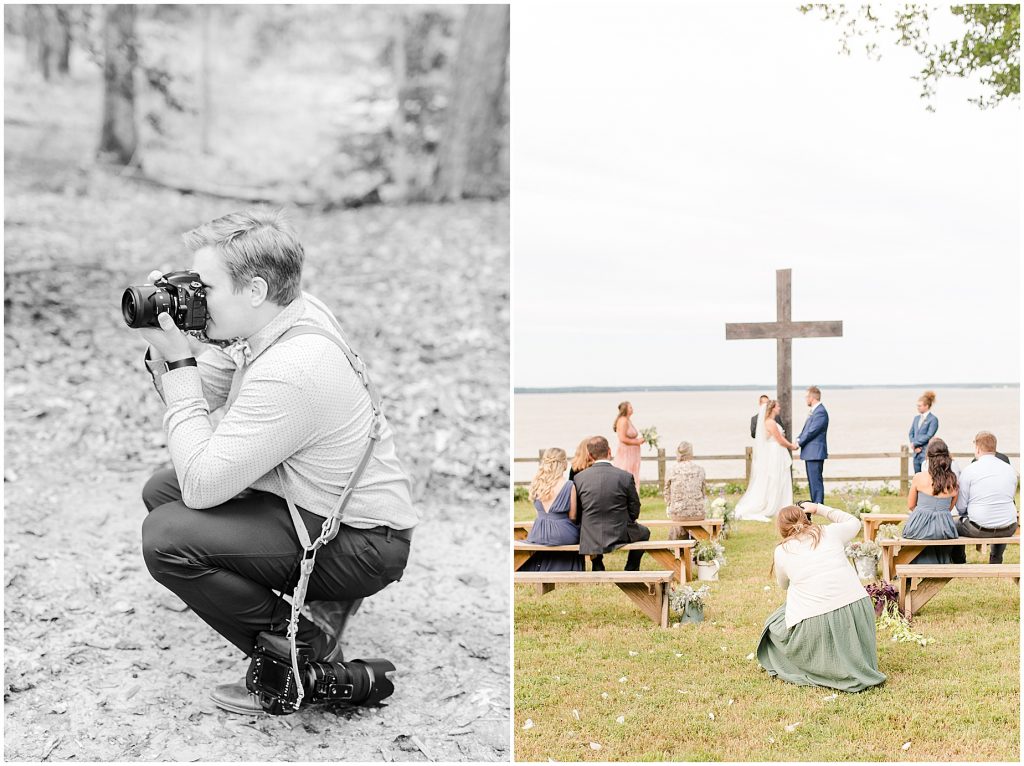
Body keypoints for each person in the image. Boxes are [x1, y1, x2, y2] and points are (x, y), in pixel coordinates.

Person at [136, 210, 419, 715]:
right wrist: (176, 344)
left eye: (204, 288)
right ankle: (304, 603)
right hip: (318, 506)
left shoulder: (294, 367)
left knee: (168, 538)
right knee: (163, 490)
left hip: (363, 540)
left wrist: (180, 361)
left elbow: (203, 482)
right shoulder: (283, 314)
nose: (194, 297)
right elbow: (208, 393)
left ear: (256, 289)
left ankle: (305, 651)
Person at [757, 503, 886, 693]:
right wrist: (818, 509)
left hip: (817, 617)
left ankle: (825, 663)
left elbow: (784, 585)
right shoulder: (829, 532)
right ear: (806, 517)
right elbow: (853, 522)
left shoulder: (782, 551)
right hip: (859, 609)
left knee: (774, 625)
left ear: (781, 529)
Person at [574, 436, 649, 571]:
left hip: (591, 533)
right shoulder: (625, 477)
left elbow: (578, 511)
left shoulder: (579, 478)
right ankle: (631, 567)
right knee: (644, 533)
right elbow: (635, 508)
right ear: (609, 451)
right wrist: (629, 520)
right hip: (620, 532)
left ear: (590, 456)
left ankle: (597, 563)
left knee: (591, 529)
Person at [950, 431, 1019, 565]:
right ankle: (996, 558)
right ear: (994, 447)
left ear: (977, 448)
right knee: (1001, 520)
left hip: (978, 528)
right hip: (1009, 527)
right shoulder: (1010, 470)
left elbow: (961, 507)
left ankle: (960, 561)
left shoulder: (970, 470)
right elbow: (1010, 497)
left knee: (952, 524)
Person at [520, 448, 584, 572]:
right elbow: (573, 516)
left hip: (538, 532)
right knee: (581, 534)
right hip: (563, 534)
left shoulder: (537, 484)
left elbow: (539, 512)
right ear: (563, 464)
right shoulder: (569, 485)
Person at [735, 400, 796, 521]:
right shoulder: (770, 423)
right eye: (778, 406)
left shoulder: (769, 422)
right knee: (775, 478)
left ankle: (781, 503)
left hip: (777, 451)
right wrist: (792, 446)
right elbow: (779, 439)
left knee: (780, 478)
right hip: (775, 452)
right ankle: (775, 505)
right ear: (772, 408)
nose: (779, 408)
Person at [902, 439, 959, 565]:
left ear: (928, 457)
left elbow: (911, 505)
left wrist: (924, 512)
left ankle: (915, 565)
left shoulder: (919, 477)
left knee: (919, 534)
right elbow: (949, 508)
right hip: (945, 528)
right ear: (947, 456)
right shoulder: (953, 481)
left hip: (919, 526)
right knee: (935, 535)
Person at [664, 441, 707, 540]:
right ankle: (695, 542)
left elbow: (667, 492)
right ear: (691, 453)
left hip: (677, 514)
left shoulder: (671, 469)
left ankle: (676, 543)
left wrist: (670, 504)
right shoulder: (700, 469)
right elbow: (703, 493)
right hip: (698, 513)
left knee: (677, 518)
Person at [795, 386, 829, 504]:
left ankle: (818, 504)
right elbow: (807, 430)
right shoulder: (815, 411)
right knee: (812, 480)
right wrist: (798, 438)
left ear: (811, 397)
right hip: (811, 452)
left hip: (815, 452)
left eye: (806, 397)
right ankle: (816, 502)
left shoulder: (820, 412)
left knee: (816, 480)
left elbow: (812, 431)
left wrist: (799, 443)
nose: (805, 400)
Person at [611, 401, 644, 489]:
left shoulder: (628, 420)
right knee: (626, 473)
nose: (632, 409)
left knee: (632, 474)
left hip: (632, 453)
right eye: (630, 407)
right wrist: (638, 441)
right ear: (625, 409)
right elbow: (622, 439)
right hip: (626, 454)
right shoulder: (623, 421)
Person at [908, 390, 939, 474]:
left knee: (926, 476)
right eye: (917, 406)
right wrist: (913, 445)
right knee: (917, 477)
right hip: (916, 453)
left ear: (927, 406)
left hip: (926, 453)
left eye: (920, 406)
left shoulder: (933, 419)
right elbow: (911, 433)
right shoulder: (916, 418)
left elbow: (929, 435)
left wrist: (915, 444)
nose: (918, 408)